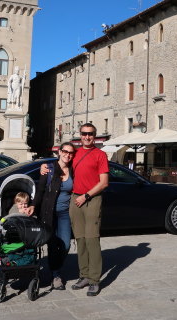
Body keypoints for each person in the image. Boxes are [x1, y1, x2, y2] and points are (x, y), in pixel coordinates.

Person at [43, 124, 108, 295]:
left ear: (95, 135)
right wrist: (44, 167)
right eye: (84, 134)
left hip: (91, 199)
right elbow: (60, 162)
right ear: (80, 135)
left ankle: (94, 279)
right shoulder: (76, 153)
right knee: (80, 239)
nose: (87, 137)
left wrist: (86, 196)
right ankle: (84, 275)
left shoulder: (100, 155)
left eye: (90, 134)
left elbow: (104, 182)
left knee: (92, 239)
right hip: (75, 200)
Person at [32, 142, 75, 290]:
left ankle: (54, 266)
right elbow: (40, 191)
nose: (67, 154)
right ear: (59, 152)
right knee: (52, 244)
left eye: (70, 152)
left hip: (65, 214)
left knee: (66, 244)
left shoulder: (73, 169)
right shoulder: (48, 169)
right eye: (65, 151)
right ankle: (56, 275)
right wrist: (33, 205)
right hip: (48, 213)